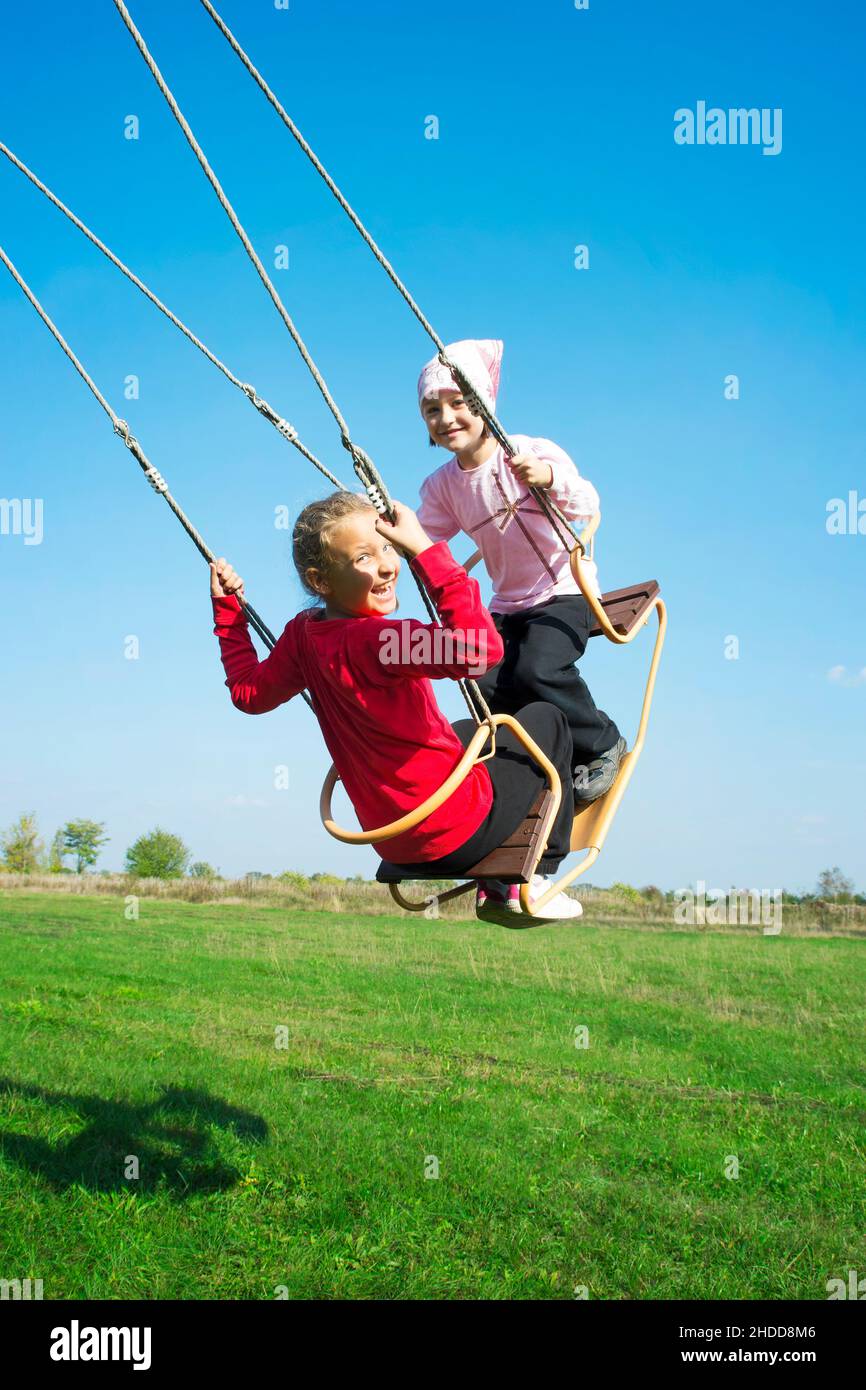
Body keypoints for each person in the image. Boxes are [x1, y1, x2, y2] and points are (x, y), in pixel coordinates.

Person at [209, 490, 582, 925]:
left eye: (389, 546)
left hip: (394, 842)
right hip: (452, 829)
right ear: (320, 581)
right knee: (544, 720)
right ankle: (530, 882)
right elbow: (481, 650)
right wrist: (425, 550)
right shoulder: (385, 641)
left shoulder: (302, 637)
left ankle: (499, 883)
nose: (388, 565)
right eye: (364, 557)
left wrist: (228, 613)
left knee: (464, 729)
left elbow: (249, 694)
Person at [415, 338, 626, 805]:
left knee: (537, 669)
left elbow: (587, 503)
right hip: (506, 604)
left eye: (460, 402)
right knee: (480, 677)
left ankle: (601, 741)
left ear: (485, 405)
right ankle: (537, 757)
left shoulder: (527, 450)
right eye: (433, 409)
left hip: (564, 589)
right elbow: (424, 539)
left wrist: (549, 479)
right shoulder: (442, 485)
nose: (447, 417)